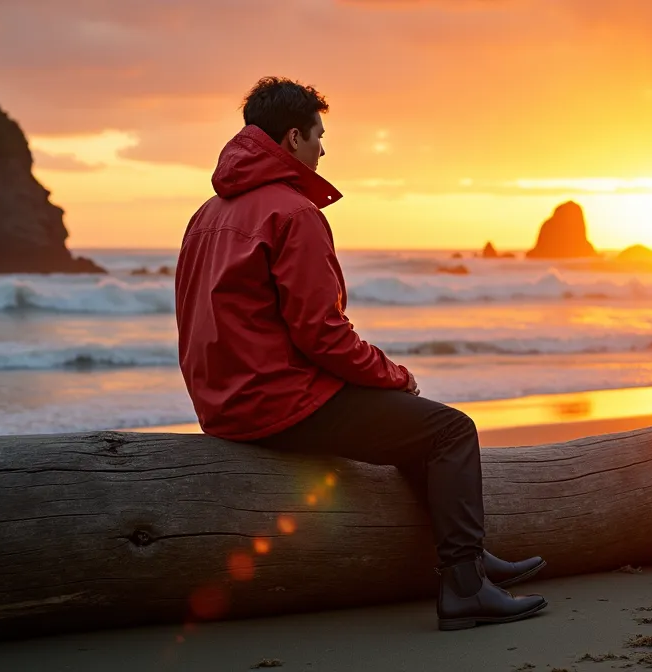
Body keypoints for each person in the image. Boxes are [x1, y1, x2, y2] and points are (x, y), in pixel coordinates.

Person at [174, 76, 548, 631]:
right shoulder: (294, 213)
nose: (324, 149)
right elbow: (320, 333)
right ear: (294, 136)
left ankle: (469, 559)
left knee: (412, 431)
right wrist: (393, 375)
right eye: (320, 136)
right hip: (278, 404)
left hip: (224, 404)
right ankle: (465, 588)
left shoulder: (206, 214)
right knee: (451, 431)